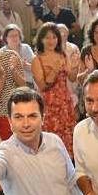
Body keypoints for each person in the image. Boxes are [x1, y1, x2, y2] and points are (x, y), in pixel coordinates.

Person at [32, 23, 77, 155]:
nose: (51, 41)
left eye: (54, 37)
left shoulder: (63, 55)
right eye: (47, 38)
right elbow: (43, 86)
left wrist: (75, 66)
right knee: (51, 140)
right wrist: (55, 69)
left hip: (65, 103)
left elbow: (72, 78)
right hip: (49, 106)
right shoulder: (37, 60)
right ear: (41, 39)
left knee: (68, 137)